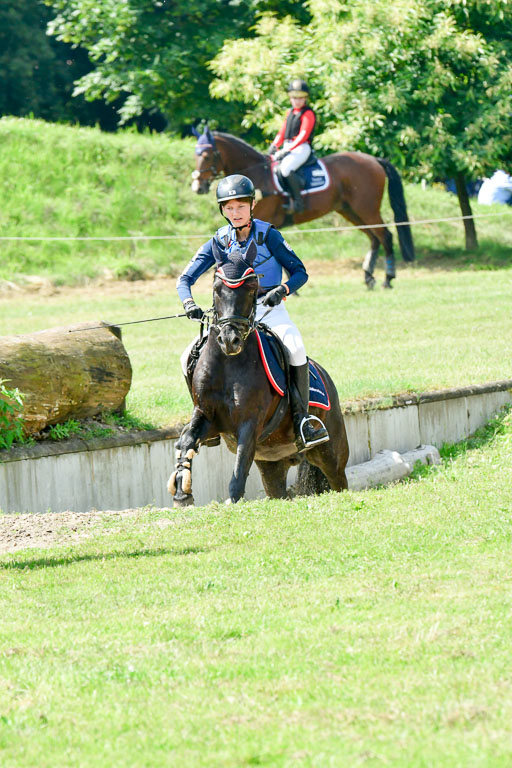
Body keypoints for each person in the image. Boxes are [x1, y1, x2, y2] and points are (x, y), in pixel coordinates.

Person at [177, 173, 329, 452]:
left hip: (268, 310)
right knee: (187, 355)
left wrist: (281, 290)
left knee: (295, 347)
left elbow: (300, 272)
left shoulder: (269, 235)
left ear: (252, 206)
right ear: (222, 210)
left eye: (241, 207)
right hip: (230, 316)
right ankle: (203, 420)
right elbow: (184, 280)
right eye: (229, 208)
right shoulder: (217, 241)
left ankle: (302, 420)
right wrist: (189, 304)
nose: (235, 213)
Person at [268, 79, 316, 214]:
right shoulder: (290, 112)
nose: (297, 101)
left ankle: (298, 202)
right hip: (288, 147)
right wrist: (274, 144)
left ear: (305, 98)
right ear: (290, 98)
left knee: (285, 169)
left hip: (301, 148)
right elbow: (282, 132)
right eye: (294, 98)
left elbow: (303, 135)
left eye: (301, 98)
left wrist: (286, 150)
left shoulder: (308, 113)